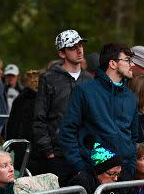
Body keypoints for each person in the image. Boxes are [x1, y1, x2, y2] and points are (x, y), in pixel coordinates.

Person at [59, 43, 138, 178]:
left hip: (124, 174)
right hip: (93, 172)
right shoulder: (84, 91)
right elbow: (67, 132)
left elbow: (133, 137)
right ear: (113, 64)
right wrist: (80, 168)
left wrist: (130, 168)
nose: (132, 65)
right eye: (127, 60)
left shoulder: (131, 96)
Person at [32, 29, 92, 183]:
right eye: (73, 47)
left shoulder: (90, 80)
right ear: (62, 53)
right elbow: (39, 117)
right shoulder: (49, 79)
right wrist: (49, 151)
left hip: (86, 153)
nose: (79, 50)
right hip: (58, 155)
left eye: (80, 45)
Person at [6, 69, 41, 173]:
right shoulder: (36, 100)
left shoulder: (20, 98)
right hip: (32, 149)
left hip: (22, 147)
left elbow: (11, 125)